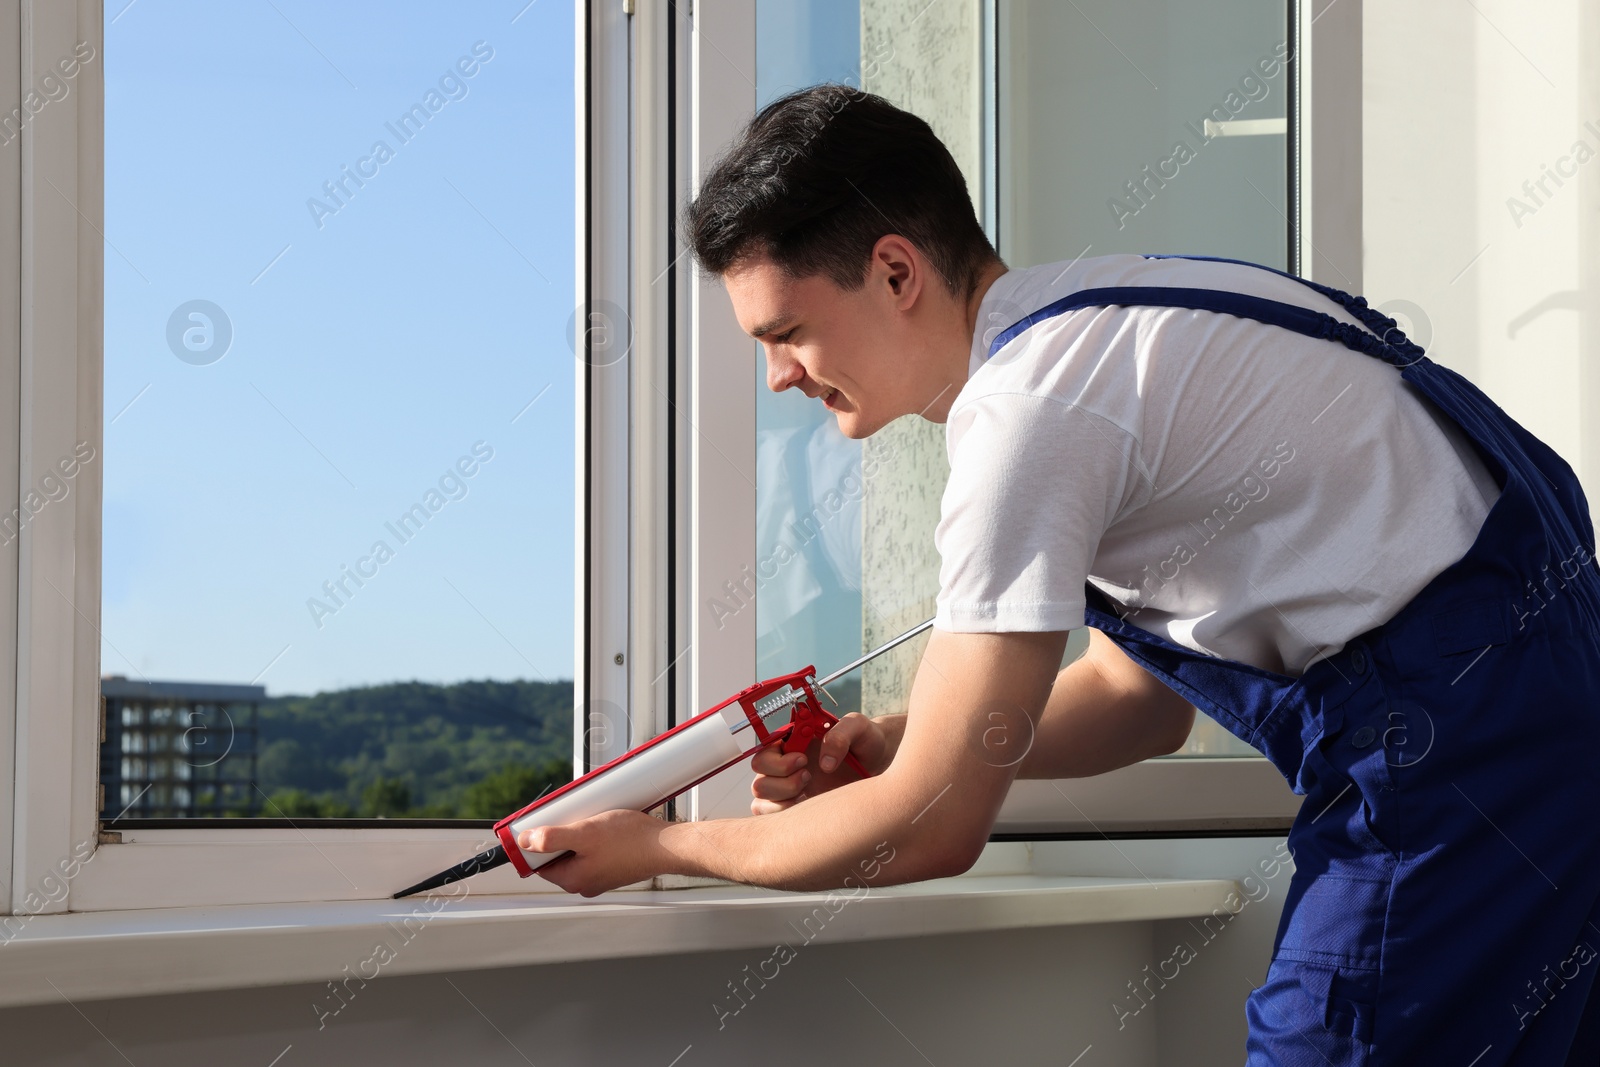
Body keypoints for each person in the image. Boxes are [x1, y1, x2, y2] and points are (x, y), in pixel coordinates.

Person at [517, 84, 1600, 1064]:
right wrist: (898, 739)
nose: (777, 377)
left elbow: (932, 826)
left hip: (1456, 760)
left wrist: (656, 843)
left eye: (787, 332)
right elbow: (1140, 707)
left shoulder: (1025, 411)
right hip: (1544, 723)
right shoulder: (1110, 316)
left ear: (895, 270)